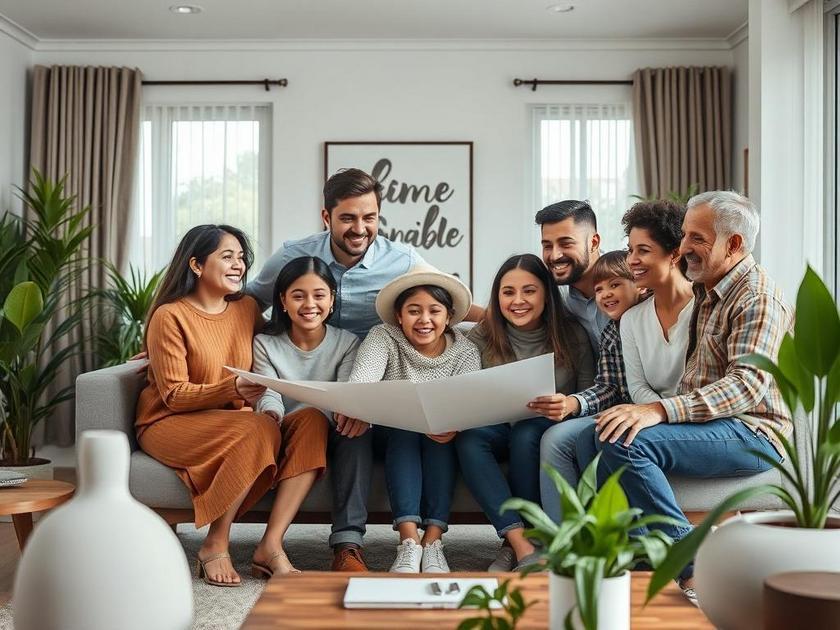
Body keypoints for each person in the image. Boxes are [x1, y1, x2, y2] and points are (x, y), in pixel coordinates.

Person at [246, 168, 482, 571]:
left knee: (356, 429)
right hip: (310, 379)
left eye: (369, 217)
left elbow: (443, 297)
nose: (360, 228)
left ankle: (347, 547)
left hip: (366, 384)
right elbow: (250, 300)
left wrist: (510, 319)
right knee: (347, 425)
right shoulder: (294, 255)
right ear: (327, 217)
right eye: (348, 218)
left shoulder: (402, 259)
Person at [575, 191, 794, 596]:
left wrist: (657, 410)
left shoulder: (756, 297)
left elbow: (746, 386)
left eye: (697, 238)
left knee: (625, 443)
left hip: (754, 431)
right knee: (604, 432)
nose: (684, 246)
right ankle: (640, 556)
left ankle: (693, 566)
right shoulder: (708, 290)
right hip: (715, 423)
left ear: (733, 244)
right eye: (684, 235)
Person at [135, 225, 323, 588]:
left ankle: (270, 545)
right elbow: (173, 395)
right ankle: (215, 544)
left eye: (241, 257)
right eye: (227, 257)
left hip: (233, 422)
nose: (239, 265)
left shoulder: (247, 308)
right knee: (259, 426)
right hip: (168, 421)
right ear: (196, 265)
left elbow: (281, 344)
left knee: (312, 420)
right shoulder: (170, 316)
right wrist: (231, 387)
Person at [455, 254, 594, 572]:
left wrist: (568, 403)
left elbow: (590, 394)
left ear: (546, 293)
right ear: (497, 297)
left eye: (529, 291)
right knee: (470, 439)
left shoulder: (573, 334)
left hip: (548, 428)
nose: (518, 301)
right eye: (508, 292)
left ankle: (529, 539)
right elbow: (461, 389)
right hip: (497, 424)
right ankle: (519, 543)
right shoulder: (483, 334)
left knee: (527, 432)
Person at [347, 267, 481, 574]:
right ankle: (409, 541)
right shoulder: (383, 335)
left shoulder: (465, 351)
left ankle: (433, 542)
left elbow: (469, 403)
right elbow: (361, 384)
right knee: (405, 428)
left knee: (439, 434)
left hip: (440, 435)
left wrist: (455, 424)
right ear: (399, 316)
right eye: (414, 311)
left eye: (434, 311)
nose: (424, 320)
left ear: (449, 317)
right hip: (391, 432)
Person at [249, 256, 360, 576]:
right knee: (297, 418)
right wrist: (272, 413)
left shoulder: (347, 343)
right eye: (298, 296)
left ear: (332, 299)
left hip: (326, 430)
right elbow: (267, 391)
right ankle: (270, 545)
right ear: (283, 301)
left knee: (315, 417)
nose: (309, 304)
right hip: (281, 427)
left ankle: (271, 542)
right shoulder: (265, 343)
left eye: (319, 295)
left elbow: (342, 397)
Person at [538, 250, 644, 521]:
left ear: (640, 284)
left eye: (615, 284)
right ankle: (564, 534)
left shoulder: (652, 318)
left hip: (651, 412)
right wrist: (572, 402)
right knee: (554, 438)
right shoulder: (610, 332)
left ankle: (611, 526)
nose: (606, 294)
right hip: (617, 409)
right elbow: (608, 386)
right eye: (599, 289)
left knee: (597, 438)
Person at [619, 201, 694, 403]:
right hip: (653, 416)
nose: (631, 260)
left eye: (643, 250)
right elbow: (637, 388)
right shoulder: (631, 320)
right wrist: (661, 413)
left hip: (702, 417)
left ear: (675, 254)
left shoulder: (706, 306)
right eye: (630, 250)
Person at [536, 199, 610, 357]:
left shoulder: (629, 278)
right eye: (547, 246)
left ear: (594, 243)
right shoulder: (554, 295)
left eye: (566, 244)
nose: (554, 255)